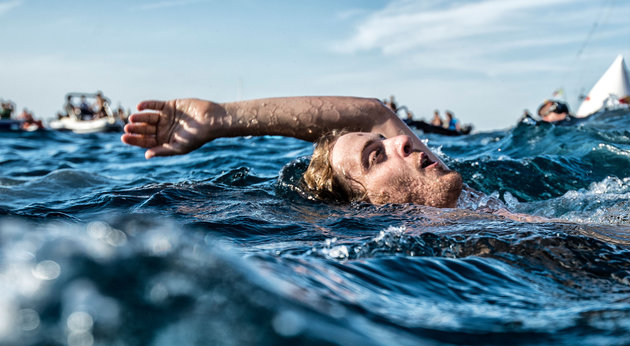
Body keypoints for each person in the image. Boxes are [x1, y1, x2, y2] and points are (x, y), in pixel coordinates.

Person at [122, 96, 464, 208]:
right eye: (376, 156)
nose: (401, 141)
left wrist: (221, 119)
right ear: (365, 204)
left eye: (384, 141)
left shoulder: (469, 199)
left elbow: (373, 113)